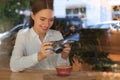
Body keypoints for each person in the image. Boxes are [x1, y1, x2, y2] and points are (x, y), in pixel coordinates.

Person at [10, 0, 71, 72]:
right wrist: (39, 56)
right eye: (42, 19)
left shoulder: (57, 34)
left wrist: (64, 57)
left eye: (51, 20)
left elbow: (62, 68)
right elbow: (14, 66)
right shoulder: (23, 35)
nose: (46, 24)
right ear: (33, 15)